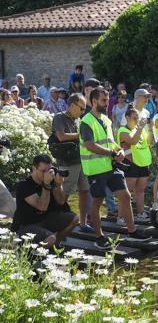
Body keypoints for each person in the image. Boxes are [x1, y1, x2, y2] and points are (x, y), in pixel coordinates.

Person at [79, 87, 151, 249]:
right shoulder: (86, 121)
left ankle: (132, 231)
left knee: (125, 195)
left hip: (111, 165)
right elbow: (90, 145)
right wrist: (112, 153)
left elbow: (110, 141)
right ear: (94, 101)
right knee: (97, 202)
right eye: (104, 100)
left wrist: (118, 150)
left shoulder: (106, 119)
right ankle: (99, 236)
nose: (107, 102)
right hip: (95, 168)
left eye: (107, 99)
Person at [10, 154, 79, 248]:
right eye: (43, 171)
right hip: (25, 225)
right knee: (50, 238)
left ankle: (54, 246)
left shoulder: (50, 180)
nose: (47, 174)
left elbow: (61, 201)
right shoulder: (24, 185)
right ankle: (34, 254)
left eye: (49, 170)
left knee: (74, 218)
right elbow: (42, 206)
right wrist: (46, 185)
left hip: (44, 220)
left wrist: (59, 185)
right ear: (34, 168)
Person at [52, 93, 92, 232]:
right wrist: (82, 136)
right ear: (72, 105)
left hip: (81, 161)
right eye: (81, 109)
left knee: (85, 191)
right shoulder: (59, 117)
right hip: (67, 162)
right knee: (64, 195)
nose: (83, 112)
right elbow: (61, 136)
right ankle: (58, 224)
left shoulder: (78, 119)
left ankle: (83, 223)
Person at [116, 106, 152, 221]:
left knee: (140, 190)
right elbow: (133, 141)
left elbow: (147, 143)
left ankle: (141, 213)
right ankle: (121, 217)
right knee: (126, 192)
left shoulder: (139, 129)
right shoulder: (123, 130)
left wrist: (149, 127)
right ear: (127, 118)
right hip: (130, 163)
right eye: (134, 118)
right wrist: (141, 127)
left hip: (143, 162)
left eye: (138, 118)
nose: (137, 120)